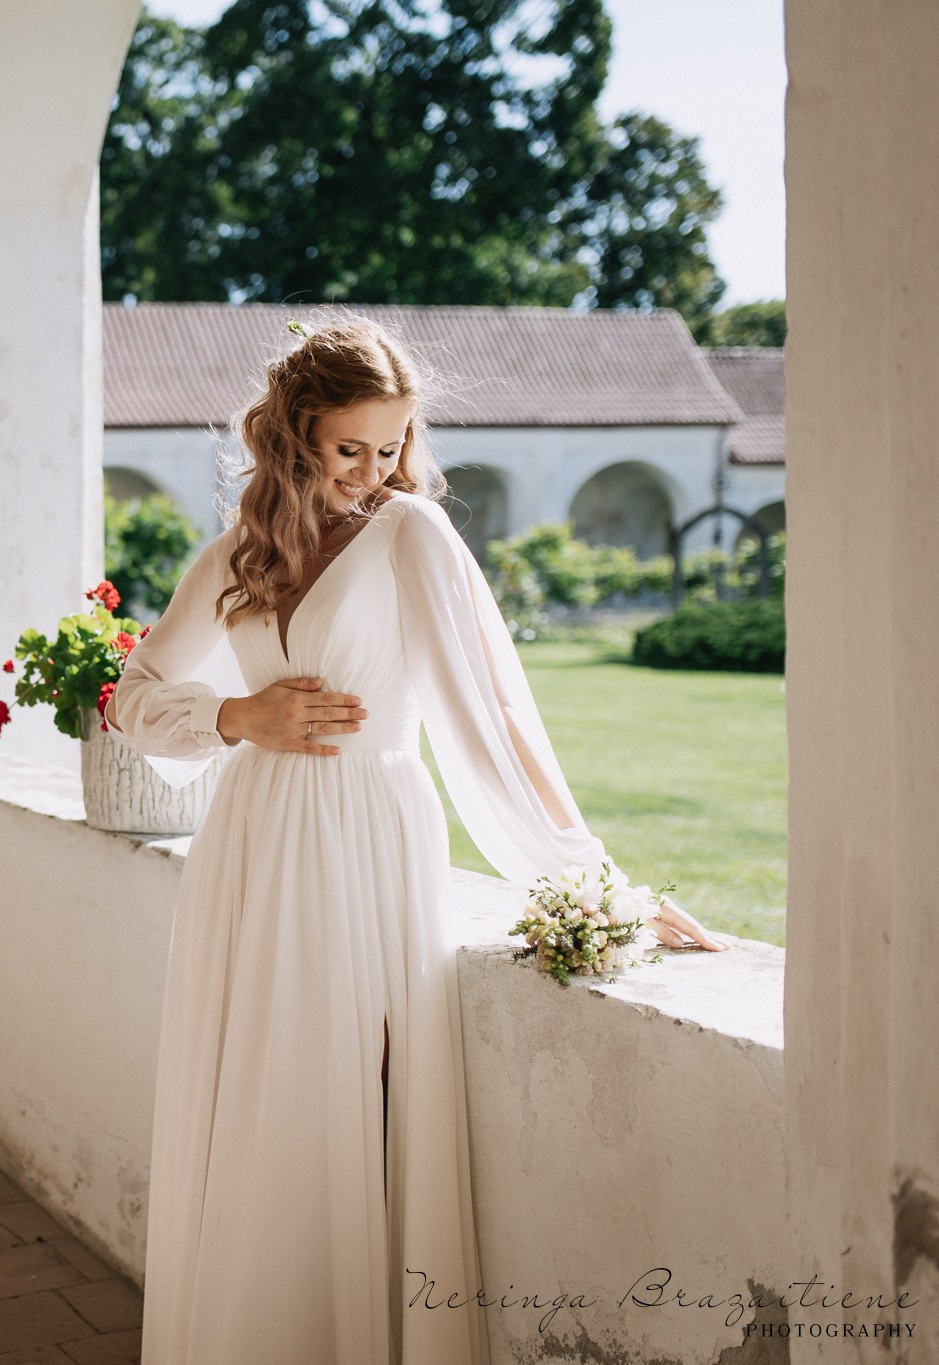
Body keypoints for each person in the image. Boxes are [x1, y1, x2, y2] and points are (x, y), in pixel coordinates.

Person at [105, 312, 727, 1365]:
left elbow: (492, 721)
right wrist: (231, 718)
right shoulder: (234, 554)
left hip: (369, 838)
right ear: (291, 434)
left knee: (352, 1094)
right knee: (254, 1096)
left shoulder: (411, 536)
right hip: (250, 844)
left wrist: (593, 884)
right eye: (350, 446)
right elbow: (133, 692)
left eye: (392, 445)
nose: (375, 469)